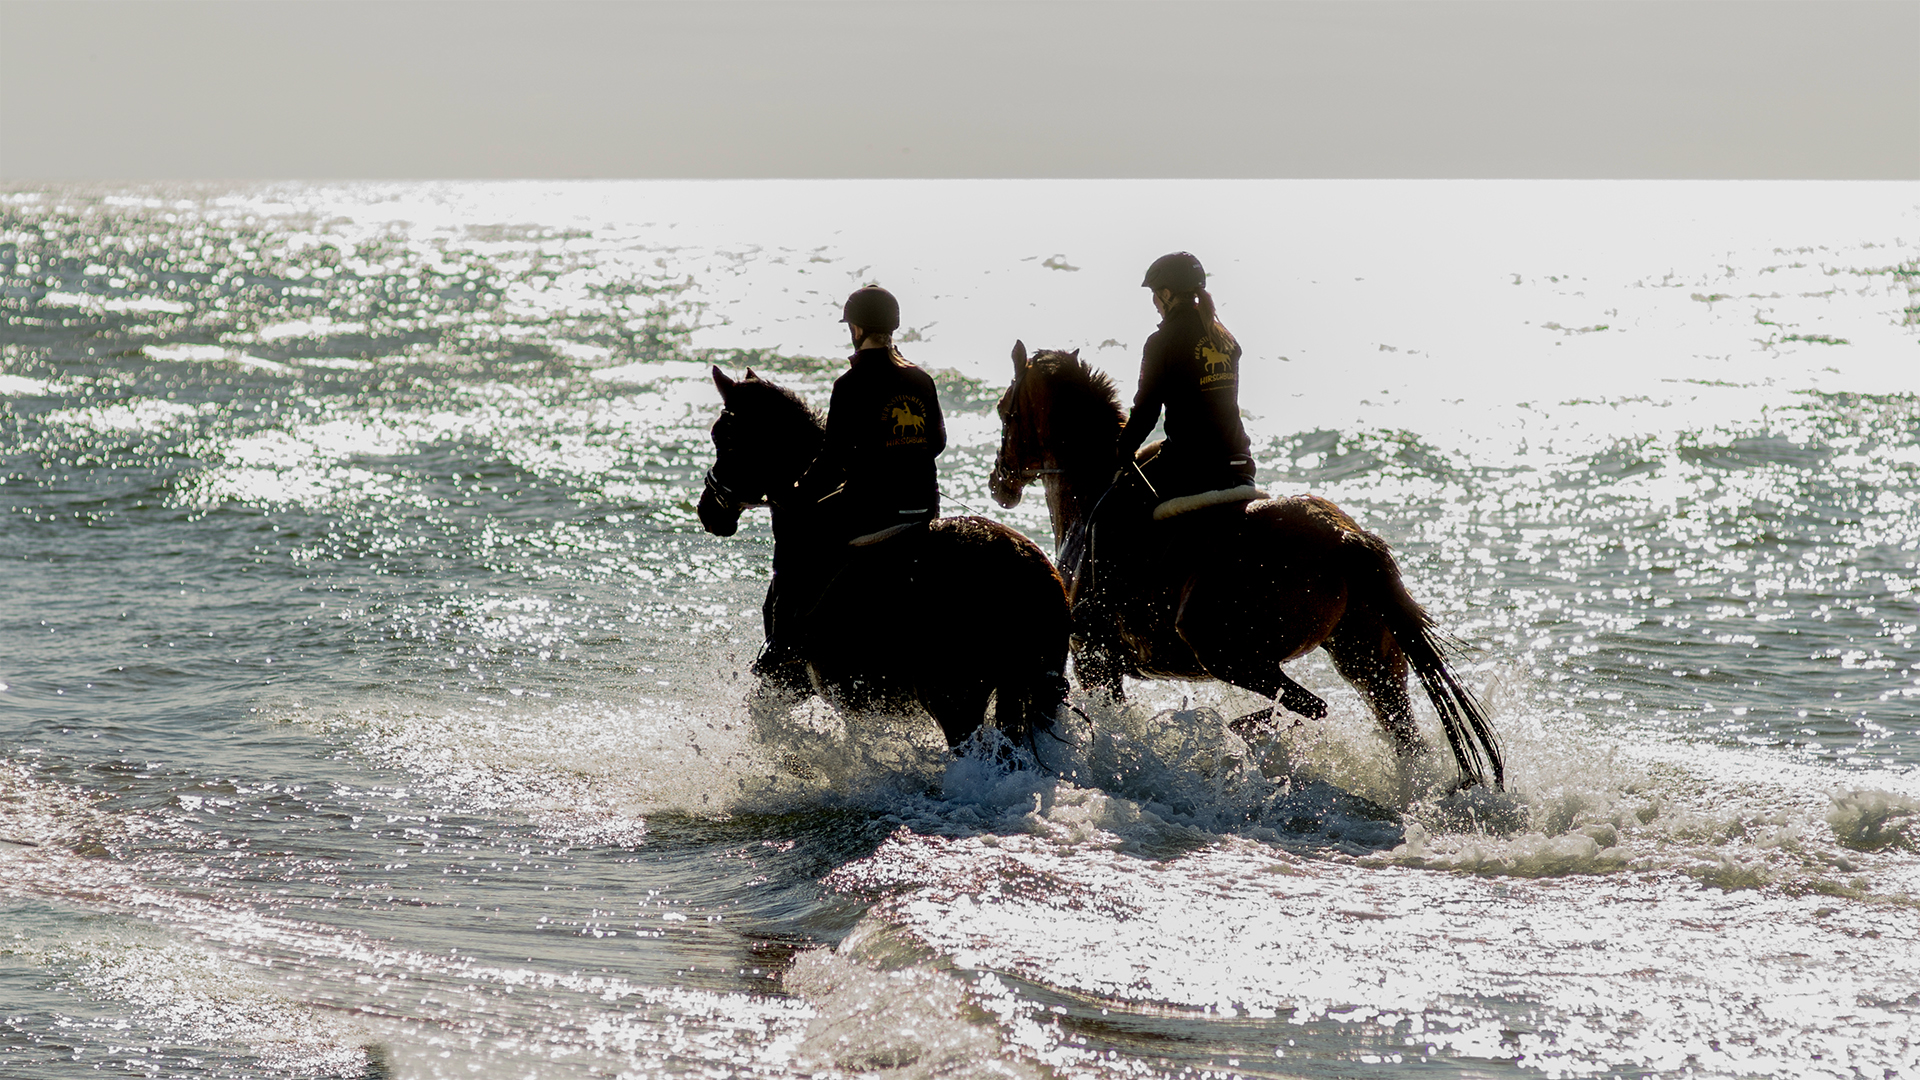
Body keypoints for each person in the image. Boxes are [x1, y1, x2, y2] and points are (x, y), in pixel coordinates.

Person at [754, 285, 946, 686]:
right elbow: (938, 443)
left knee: (796, 541)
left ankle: (783, 647)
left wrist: (794, 495)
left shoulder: (850, 384)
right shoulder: (921, 379)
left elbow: (832, 461)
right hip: (924, 508)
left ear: (856, 328)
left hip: (872, 511)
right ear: (891, 326)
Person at [1114, 251, 1255, 499]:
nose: (1155, 304)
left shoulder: (1161, 342)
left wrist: (1123, 450)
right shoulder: (1224, 336)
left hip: (1192, 468)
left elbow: (1147, 409)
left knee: (1113, 508)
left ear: (1166, 294)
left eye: (1155, 295)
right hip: (1240, 463)